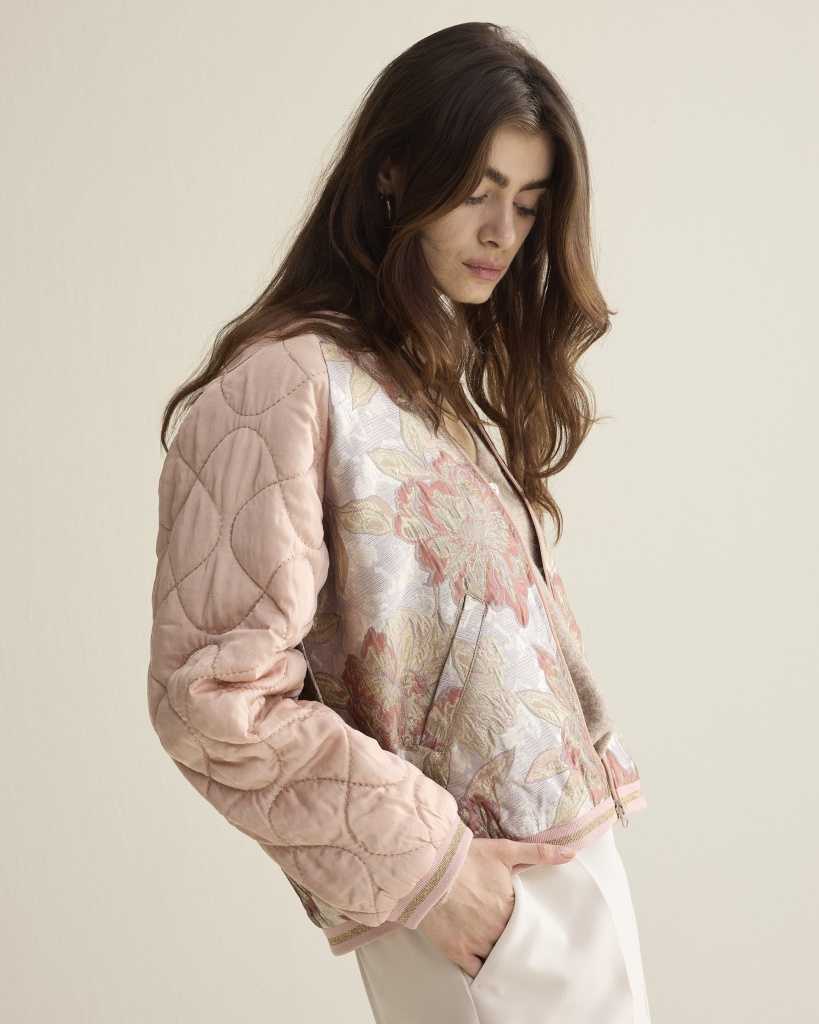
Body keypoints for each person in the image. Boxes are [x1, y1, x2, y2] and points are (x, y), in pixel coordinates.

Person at [148, 21, 650, 1024]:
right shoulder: (284, 383)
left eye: (527, 204)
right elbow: (212, 696)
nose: (503, 232)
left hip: (560, 875)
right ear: (391, 175)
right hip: (473, 906)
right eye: (476, 192)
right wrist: (443, 871)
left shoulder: (423, 382)